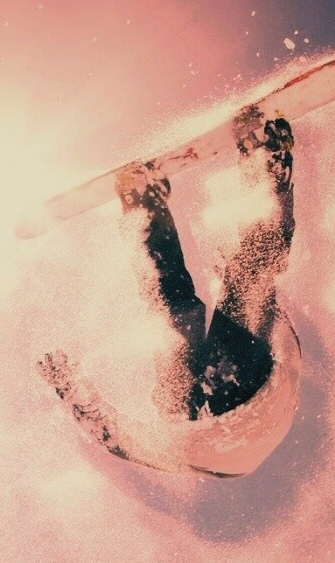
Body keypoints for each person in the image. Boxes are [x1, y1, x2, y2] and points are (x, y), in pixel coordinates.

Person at [37, 113, 302, 478]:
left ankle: (263, 157)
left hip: (241, 406)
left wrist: (247, 288)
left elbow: (276, 328)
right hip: (220, 414)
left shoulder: (194, 454)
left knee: (199, 297)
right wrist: (70, 390)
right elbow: (117, 440)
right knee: (173, 306)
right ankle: (146, 203)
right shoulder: (185, 452)